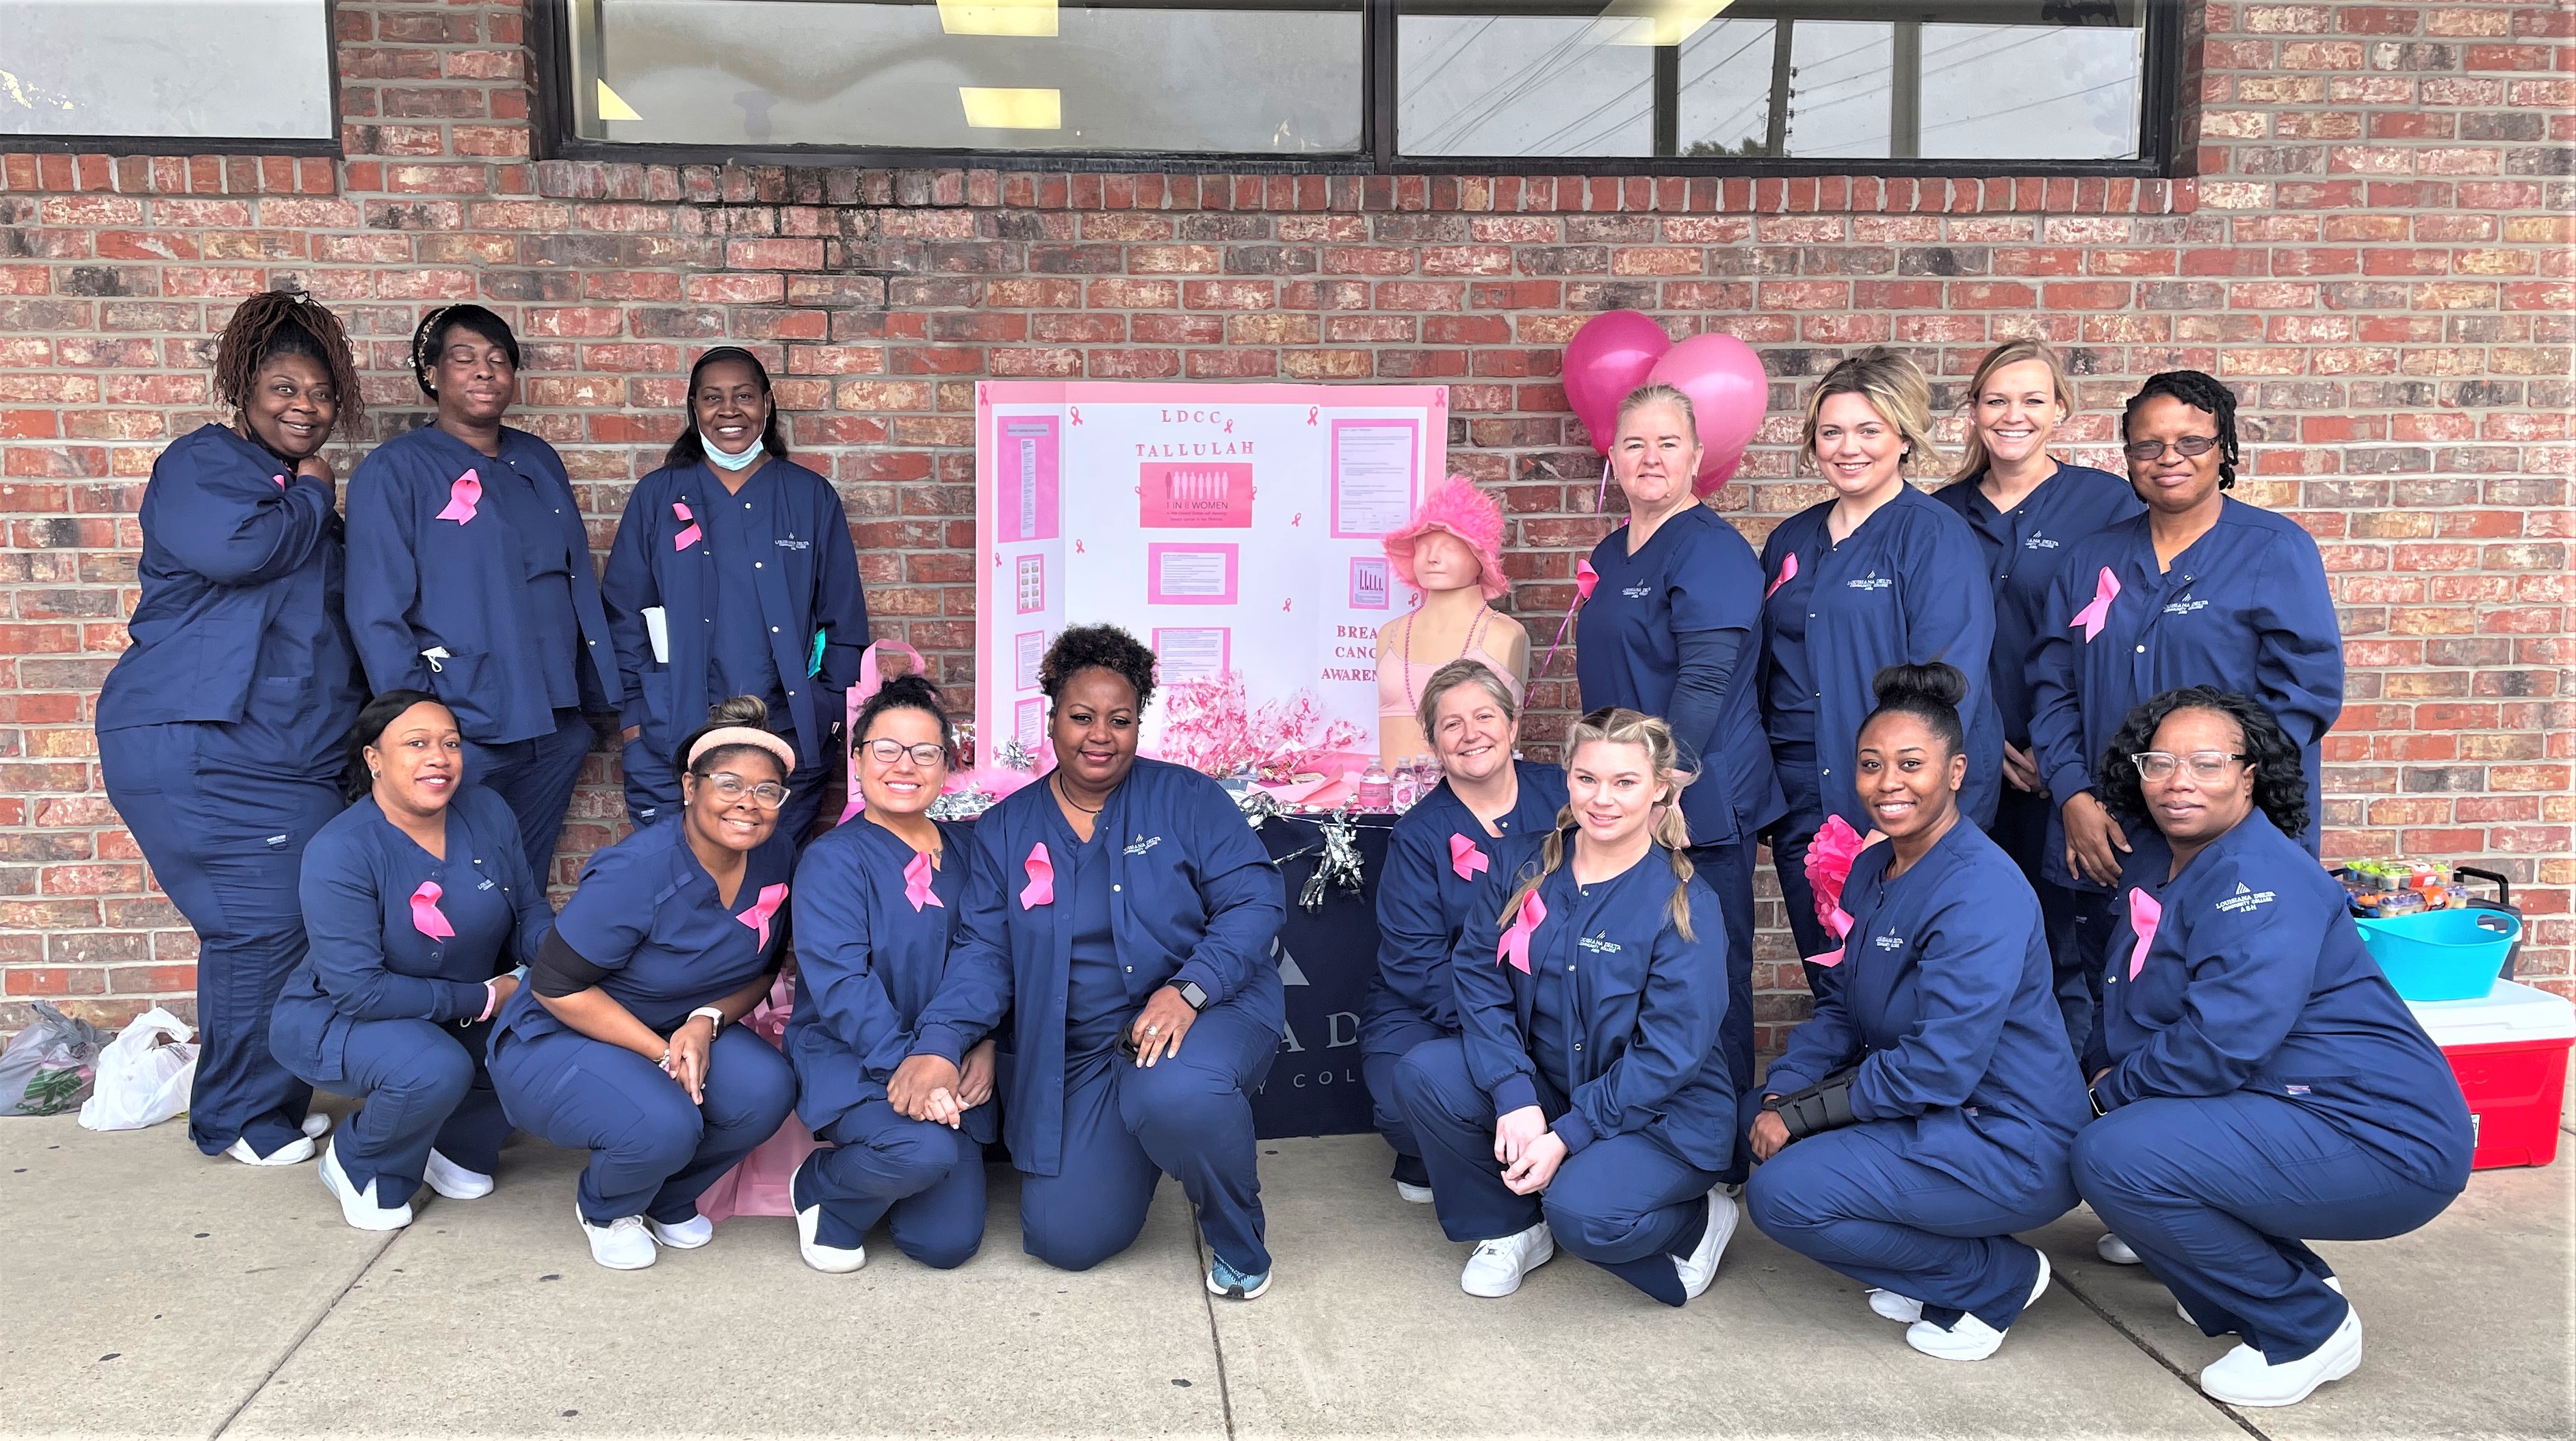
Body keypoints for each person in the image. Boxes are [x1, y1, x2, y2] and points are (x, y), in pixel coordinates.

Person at [2072, 688, 2470, 1407]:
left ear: (2249, 775)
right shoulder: (2162, 858)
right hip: (2280, 1104)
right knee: (2123, 1152)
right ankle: (2273, 1273)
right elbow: (2119, 986)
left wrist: (2106, 1096)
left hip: (2377, 1133)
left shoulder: (2259, 878)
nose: (2179, 781)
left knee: (2113, 1156)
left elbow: (2220, 1042)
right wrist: (2104, 1069)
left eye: (2206, 763)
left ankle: (2305, 1327)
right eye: (2160, 763)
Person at [885, 625, 1287, 1299]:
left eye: (1119, 720)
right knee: (1065, 1239)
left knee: (1175, 1091)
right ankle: (1150, 1134)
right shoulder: (1007, 829)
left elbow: (1254, 903)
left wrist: (1190, 989)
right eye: (1081, 717)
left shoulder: (1188, 799)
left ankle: (1236, 1236)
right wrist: (942, 1040)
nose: (1100, 735)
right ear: (1051, 720)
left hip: (1206, 1010)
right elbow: (985, 952)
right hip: (1084, 1045)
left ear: (1137, 725)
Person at [1742, 664, 2086, 1362]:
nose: (1887, 783)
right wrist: (1786, 1090)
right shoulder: (1875, 869)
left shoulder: (1979, 889)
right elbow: (1844, 1008)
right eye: (1871, 765)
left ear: (1955, 772)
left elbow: (1938, 1066)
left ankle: (1993, 1279)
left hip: (2007, 1136)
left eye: (1910, 764)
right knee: (1751, 1117)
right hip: (1932, 1113)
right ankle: (1928, 1261)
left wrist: (1800, 1116)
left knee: (1781, 1194)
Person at [96, 289, 366, 1166]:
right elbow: (237, 553)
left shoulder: (299, 503)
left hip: (282, 754)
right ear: (243, 389)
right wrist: (317, 492)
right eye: (284, 387)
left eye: (320, 393)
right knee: (260, 929)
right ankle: (238, 1119)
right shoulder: (206, 465)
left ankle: (266, 1103)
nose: (305, 407)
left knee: (286, 925)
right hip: (204, 743)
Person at [2027, 370, 2343, 1075]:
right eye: (2149, 445)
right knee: (2113, 996)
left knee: (2230, 1000)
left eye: (2191, 442)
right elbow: (2052, 688)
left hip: (2232, 833)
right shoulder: (2090, 559)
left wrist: (2214, 793)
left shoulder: (2273, 549)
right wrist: (2073, 794)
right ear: (2127, 456)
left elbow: (2306, 692)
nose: (2169, 458)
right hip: (2111, 828)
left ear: (2223, 448)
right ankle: (2114, 1118)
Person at [1394, 708, 1740, 1307]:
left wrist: (1568, 1135)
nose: (1601, 799)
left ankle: (1697, 1223)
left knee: (1581, 1214)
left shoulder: (1684, 903)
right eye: (1586, 779)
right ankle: (1512, 1226)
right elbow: (1478, 976)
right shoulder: (1520, 865)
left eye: (1624, 782)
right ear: (1567, 779)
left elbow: (1670, 1053)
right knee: (1426, 1072)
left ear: (1659, 788)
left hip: (1659, 1116)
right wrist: (1514, 1093)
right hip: (1552, 1085)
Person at [488, 697, 801, 1271]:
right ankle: (608, 1208)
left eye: (766, 791)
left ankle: (666, 1195)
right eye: (729, 784)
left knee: (766, 1090)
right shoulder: (636, 872)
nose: (748, 803)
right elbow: (556, 986)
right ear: (690, 787)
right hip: (560, 1037)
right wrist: (661, 1053)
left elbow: (762, 971)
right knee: (664, 1123)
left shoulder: (774, 854)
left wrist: (706, 1021)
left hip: (680, 1025)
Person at [345, 304, 621, 882]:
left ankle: (516, 951)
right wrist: (418, 730)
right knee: (450, 886)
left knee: (521, 881)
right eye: (464, 358)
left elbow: (570, 577)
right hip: (463, 725)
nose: (484, 371)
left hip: (553, 719)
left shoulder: (536, 459)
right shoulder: (396, 469)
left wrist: (586, 705)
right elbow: (376, 613)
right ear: (432, 374)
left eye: (498, 360)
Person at [1760, 350, 2000, 998]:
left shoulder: (1933, 536)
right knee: (1830, 976)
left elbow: (1947, 685)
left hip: (1899, 796)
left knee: (1902, 984)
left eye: (1868, 430)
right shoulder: (1789, 541)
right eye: (1831, 432)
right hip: (1805, 794)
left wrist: (1894, 808)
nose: (1849, 448)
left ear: (1903, 438)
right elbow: (1767, 673)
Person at [270, 692, 552, 1230]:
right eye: (416, 744)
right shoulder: (341, 849)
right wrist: (484, 998)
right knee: (432, 1068)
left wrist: (559, 962)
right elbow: (359, 990)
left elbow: (527, 908)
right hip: (341, 1017)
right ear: (374, 758)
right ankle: (359, 1162)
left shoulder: (486, 810)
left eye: (451, 744)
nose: (439, 757)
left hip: (455, 1000)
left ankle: (454, 1146)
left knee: (544, 1026)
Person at [1932, 339, 2144, 1051]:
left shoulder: (2106, 505)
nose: (2012, 414)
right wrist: (1982, 738)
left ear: (2060, 409)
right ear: (1973, 412)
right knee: (1976, 935)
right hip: (1969, 761)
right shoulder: (1941, 513)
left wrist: (2063, 761)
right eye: (1996, 400)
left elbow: (2119, 641)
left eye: (2031, 399)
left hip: (2070, 765)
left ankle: (2073, 1093)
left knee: (2071, 948)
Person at [1576, 381, 1782, 1110]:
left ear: (1697, 456)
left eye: (1668, 443)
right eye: (1634, 444)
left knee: (1706, 975)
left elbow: (1705, 679)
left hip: (1694, 801)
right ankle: (1643, 1125)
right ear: (1613, 457)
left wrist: (1665, 787)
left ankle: (1720, 1142)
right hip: (1626, 798)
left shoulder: (1712, 551)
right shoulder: (1611, 551)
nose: (1651, 457)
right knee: (1639, 971)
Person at [603, 346, 868, 844]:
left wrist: (827, 709)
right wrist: (636, 721)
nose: (729, 410)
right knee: (676, 873)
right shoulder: (658, 496)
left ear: (766, 404)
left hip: (786, 729)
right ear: (694, 408)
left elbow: (843, 617)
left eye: (744, 396)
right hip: (672, 729)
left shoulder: (809, 497)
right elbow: (623, 614)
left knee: (769, 877)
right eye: (713, 398)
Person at [783, 674, 996, 1273]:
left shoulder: (973, 851)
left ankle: (899, 1164)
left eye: (925, 751)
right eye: (886, 749)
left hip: (951, 1062)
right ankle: (823, 1186)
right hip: (859, 1057)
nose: (905, 765)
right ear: (856, 759)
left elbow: (994, 957)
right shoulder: (833, 860)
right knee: (920, 1153)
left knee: (943, 1245)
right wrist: (917, 1070)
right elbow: (843, 987)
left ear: (946, 765)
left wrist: (982, 1043)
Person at [1362, 660, 1568, 1204]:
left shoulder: (1568, 797)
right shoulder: (1418, 834)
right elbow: (1414, 963)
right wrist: (1498, 1028)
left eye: (1484, 716)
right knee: (1401, 1103)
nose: (1470, 733)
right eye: (1451, 724)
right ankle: (1440, 1150)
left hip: (1553, 992)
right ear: (1434, 743)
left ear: (1512, 725)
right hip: (1440, 1001)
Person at [1374, 477, 1529, 764]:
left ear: (1479, 558)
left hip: (1477, 792)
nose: (1432, 558)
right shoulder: (1389, 635)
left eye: (1449, 547)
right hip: (1393, 791)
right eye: (1423, 546)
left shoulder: (1506, 635)